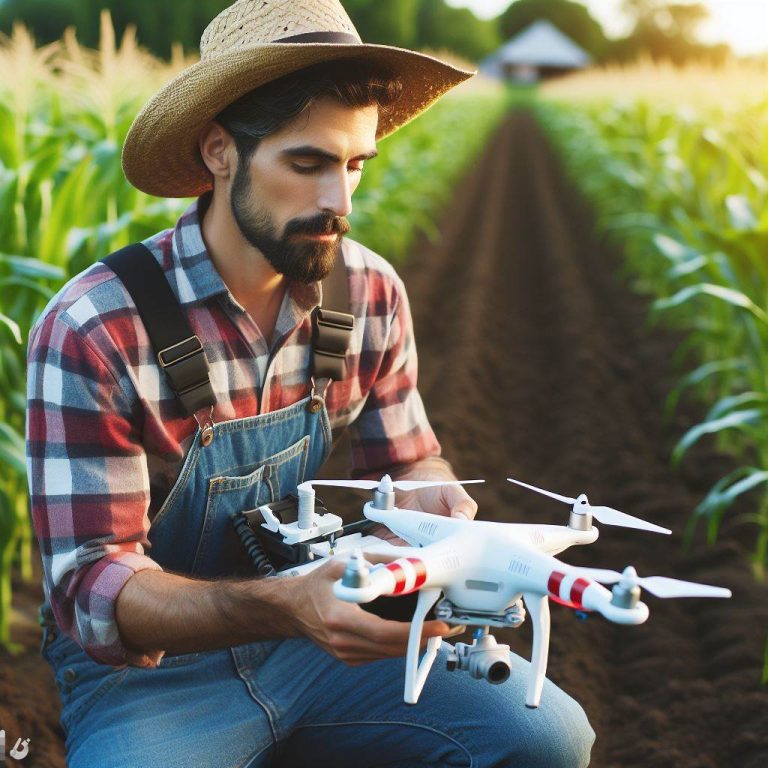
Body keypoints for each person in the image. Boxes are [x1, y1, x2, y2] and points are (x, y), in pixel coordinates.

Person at [25, 1, 595, 765]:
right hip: (150, 681)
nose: (342, 203)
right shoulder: (97, 327)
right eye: (309, 163)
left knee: (548, 740)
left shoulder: (367, 294)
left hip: (326, 648)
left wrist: (432, 496)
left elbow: (410, 457)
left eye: (355, 164)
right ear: (220, 151)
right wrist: (288, 605)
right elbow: (94, 585)